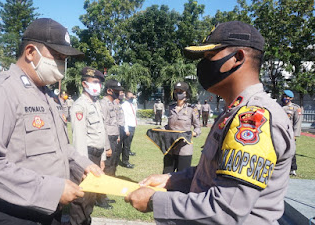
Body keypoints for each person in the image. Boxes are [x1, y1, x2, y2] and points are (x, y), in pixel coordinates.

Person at [125, 21, 295, 224]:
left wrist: (155, 201)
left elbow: (225, 210)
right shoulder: (233, 112)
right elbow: (214, 173)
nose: (202, 66)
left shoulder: (253, 118)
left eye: (209, 57)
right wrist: (172, 179)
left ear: (237, 58)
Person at [0, 18, 103, 225]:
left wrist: (82, 165)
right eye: (57, 56)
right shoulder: (0, 91)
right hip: (11, 214)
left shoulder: (46, 95)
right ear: (30, 52)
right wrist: (51, 190)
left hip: (47, 211)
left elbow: (60, 148)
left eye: (64, 58)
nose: (61, 64)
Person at [69, 67, 111, 224]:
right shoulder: (80, 106)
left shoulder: (96, 104)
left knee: (91, 197)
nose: (98, 86)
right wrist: (83, 165)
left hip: (96, 156)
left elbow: (100, 134)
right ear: (84, 84)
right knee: (82, 199)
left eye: (99, 83)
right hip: (86, 156)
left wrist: (102, 158)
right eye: (95, 82)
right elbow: (79, 139)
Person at [164, 81, 200, 174]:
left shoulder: (192, 109)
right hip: (170, 147)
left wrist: (192, 133)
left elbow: (197, 128)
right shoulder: (171, 108)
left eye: (181, 91)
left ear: (186, 93)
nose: (178, 93)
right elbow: (168, 126)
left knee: (182, 177)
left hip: (184, 148)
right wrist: (159, 129)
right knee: (166, 174)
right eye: (176, 91)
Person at [100, 79, 124, 176]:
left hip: (114, 138)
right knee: (108, 165)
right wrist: (107, 147)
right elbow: (103, 126)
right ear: (109, 91)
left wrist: (118, 136)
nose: (119, 93)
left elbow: (116, 122)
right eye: (116, 90)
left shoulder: (114, 104)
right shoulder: (103, 104)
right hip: (108, 138)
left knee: (114, 163)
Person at [281, 89, 302, 176]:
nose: (286, 98)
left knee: (291, 151)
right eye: (284, 96)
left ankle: (293, 169)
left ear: (291, 98)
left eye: (288, 97)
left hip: (290, 133)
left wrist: (295, 134)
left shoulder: (295, 108)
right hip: (280, 132)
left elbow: (298, 122)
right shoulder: (278, 106)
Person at [120, 91, 137, 168]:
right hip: (128, 127)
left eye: (133, 97)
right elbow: (125, 118)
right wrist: (126, 129)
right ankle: (125, 161)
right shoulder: (124, 106)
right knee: (126, 145)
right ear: (126, 98)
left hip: (132, 126)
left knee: (128, 144)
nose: (132, 98)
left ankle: (126, 158)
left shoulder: (132, 105)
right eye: (130, 97)